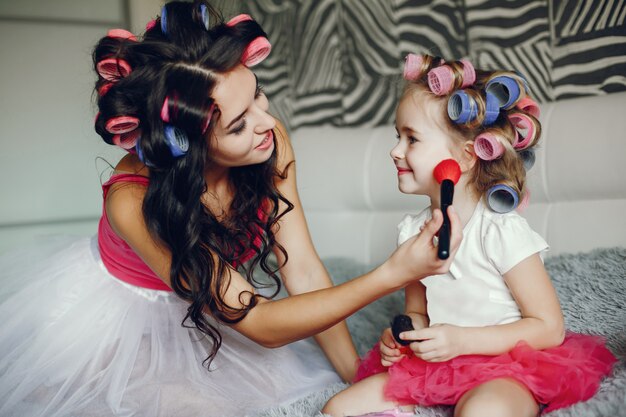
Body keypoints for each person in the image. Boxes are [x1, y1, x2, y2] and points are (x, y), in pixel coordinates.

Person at [0, 5, 463, 417]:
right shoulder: (133, 202)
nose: (267, 123)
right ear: (192, 147)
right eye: (240, 124)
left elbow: (300, 267)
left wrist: (353, 376)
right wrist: (393, 273)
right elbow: (259, 324)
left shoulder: (269, 141)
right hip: (117, 319)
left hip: (211, 299)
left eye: (257, 95)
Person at [322, 54, 617, 417]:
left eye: (411, 139)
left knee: (482, 411)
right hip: (441, 363)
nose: (395, 150)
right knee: (339, 408)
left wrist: (462, 340)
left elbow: (549, 327)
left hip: (507, 365)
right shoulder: (412, 233)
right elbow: (418, 312)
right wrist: (404, 337)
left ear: (464, 157)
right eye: (397, 136)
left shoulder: (499, 229)